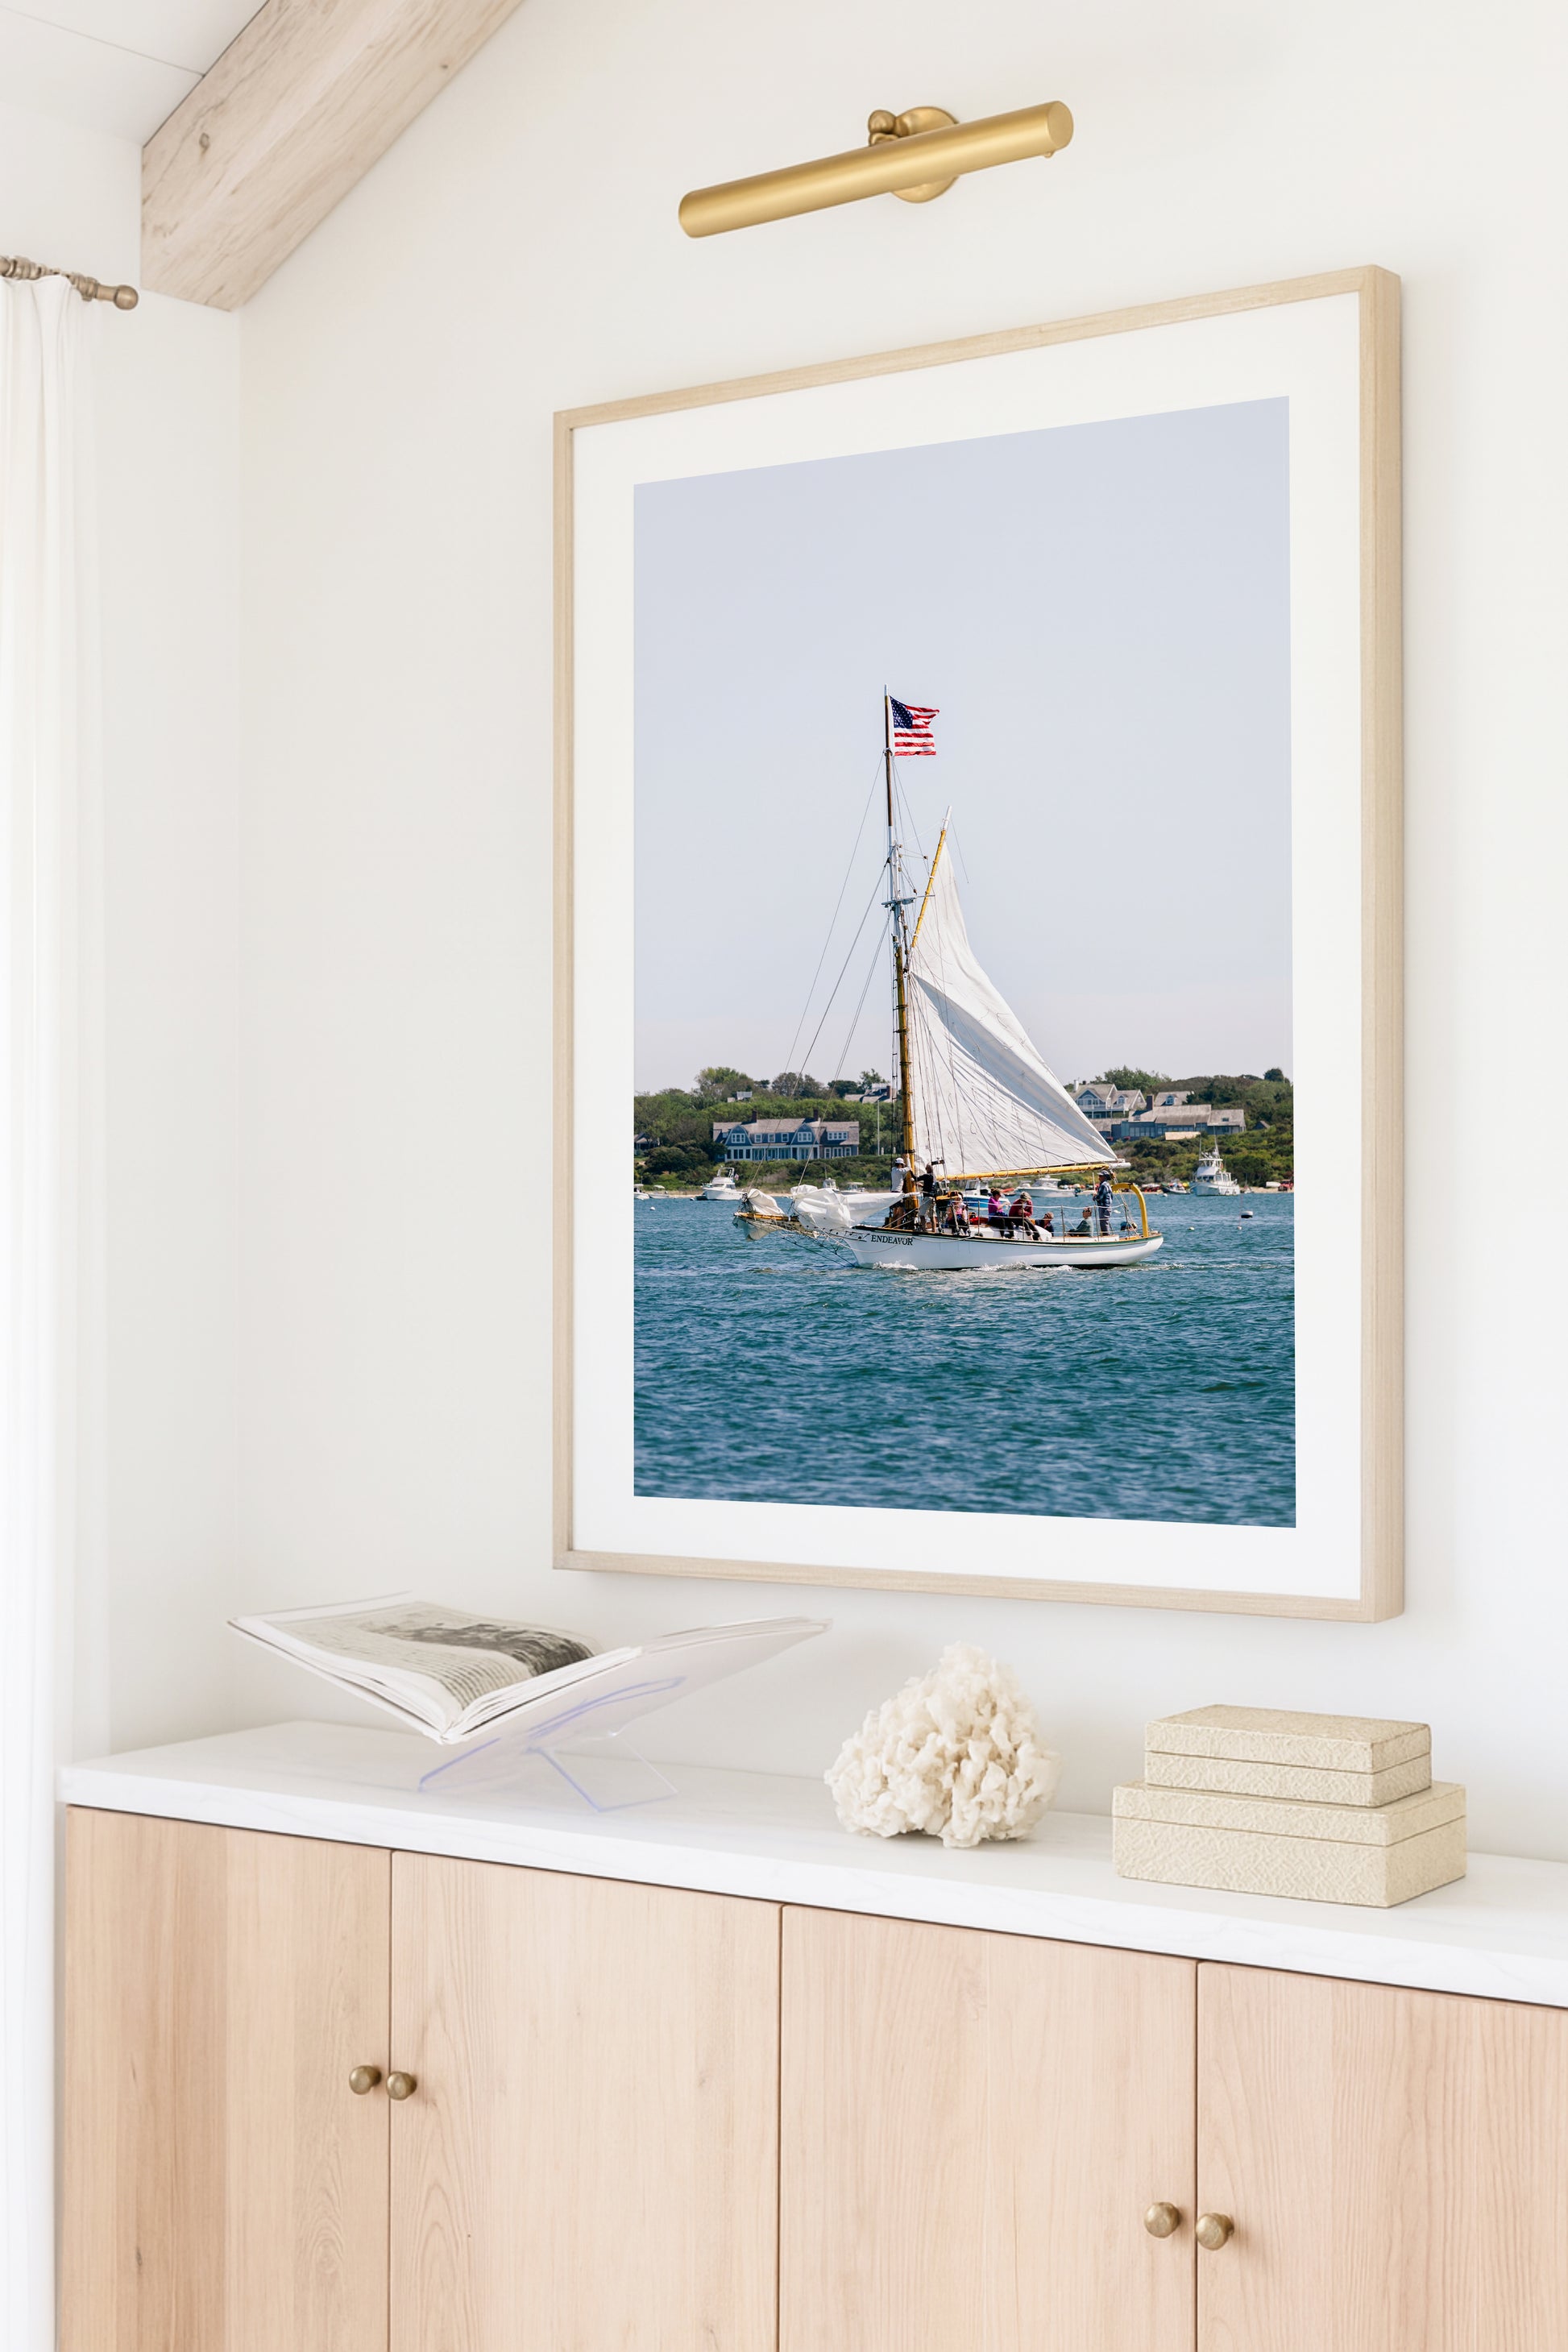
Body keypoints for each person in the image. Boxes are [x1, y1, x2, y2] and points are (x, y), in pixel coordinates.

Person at [1095, 1169, 1114, 1237]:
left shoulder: (1103, 1185)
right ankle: (1106, 1235)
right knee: (1104, 1222)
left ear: (1105, 1177)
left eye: (1100, 1176)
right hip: (1106, 1207)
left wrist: (1095, 1197)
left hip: (1104, 1207)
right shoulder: (1107, 1184)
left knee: (1103, 1223)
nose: (1099, 1177)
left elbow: (1099, 1197)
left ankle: (1106, 1237)